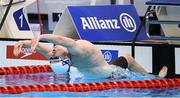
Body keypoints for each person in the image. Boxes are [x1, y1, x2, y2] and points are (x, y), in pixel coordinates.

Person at [13, 34, 168, 79]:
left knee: (127, 57)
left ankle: (152, 77)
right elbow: (54, 43)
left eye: (54, 50)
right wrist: (33, 38)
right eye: (53, 50)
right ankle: (153, 78)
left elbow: (53, 42)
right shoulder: (73, 52)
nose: (52, 51)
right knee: (127, 58)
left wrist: (32, 38)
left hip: (104, 75)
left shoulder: (74, 52)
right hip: (104, 77)